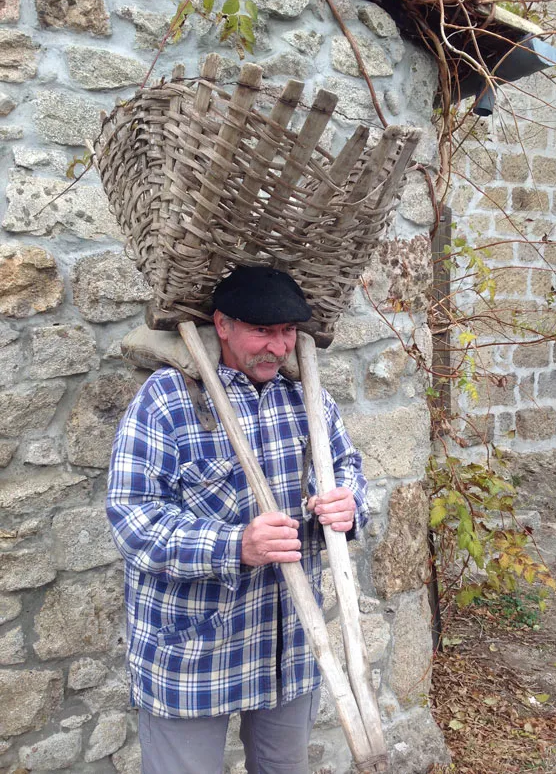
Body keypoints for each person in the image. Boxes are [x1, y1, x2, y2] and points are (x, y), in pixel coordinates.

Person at [106, 266, 368, 774]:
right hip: (193, 649)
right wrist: (235, 546)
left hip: (288, 645)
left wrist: (348, 503)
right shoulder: (168, 399)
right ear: (222, 325)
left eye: (288, 332)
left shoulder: (305, 397)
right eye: (262, 331)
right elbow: (133, 519)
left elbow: (348, 469)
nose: (278, 347)